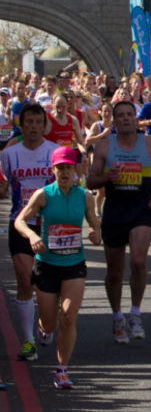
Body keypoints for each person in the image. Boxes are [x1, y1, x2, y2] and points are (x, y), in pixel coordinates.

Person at [13, 146, 100, 388]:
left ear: (76, 170)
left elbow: (94, 224)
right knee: (49, 323)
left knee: (69, 316)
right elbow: (20, 220)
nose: (64, 172)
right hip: (47, 266)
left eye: (68, 168)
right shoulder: (43, 195)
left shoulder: (85, 196)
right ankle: (43, 330)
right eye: (59, 168)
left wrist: (95, 233)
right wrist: (31, 236)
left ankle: (62, 371)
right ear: (52, 170)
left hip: (74, 265)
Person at [85, 99, 151, 344]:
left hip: (141, 208)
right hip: (115, 210)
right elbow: (90, 182)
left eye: (129, 115)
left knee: (138, 260)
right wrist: (105, 177)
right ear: (113, 120)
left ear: (135, 118)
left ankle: (135, 313)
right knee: (114, 271)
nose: (125, 119)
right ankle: (117, 317)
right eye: (119, 115)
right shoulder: (104, 146)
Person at [0, 103, 56, 360]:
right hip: (20, 224)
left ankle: (45, 325)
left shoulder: (55, 153)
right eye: (28, 122)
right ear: (21, 126)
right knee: (25, 280)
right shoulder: (9, 155)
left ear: (44, 125)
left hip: (50, 226)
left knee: (47, 284)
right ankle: (28, 341)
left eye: (38, 122)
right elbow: (2, 188)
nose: (33, 127)